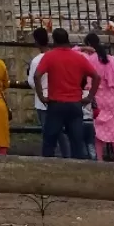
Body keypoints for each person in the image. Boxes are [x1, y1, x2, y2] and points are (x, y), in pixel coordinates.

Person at [33, 27, 100, 158]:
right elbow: (96, 77)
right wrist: (90, 96)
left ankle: (47, 167)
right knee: (76, 142)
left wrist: (41, 96)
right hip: (75, 104)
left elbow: (37, 75)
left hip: (56, 103)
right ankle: (77, 169)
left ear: (54, 41)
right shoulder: (78, 57)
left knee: (49, 141)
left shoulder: (49, 56)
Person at [82, 32, 114, 163]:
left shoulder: (90, 59)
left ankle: (99, 160)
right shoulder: (111, 59)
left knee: (96, 131)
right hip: (111, 99)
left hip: (96, 97)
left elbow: (87, 81)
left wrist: (83, 49)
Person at [28, 25, 70, 157]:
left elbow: (32, 81)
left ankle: (49, 157)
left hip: (42, 100)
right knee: (61, 132)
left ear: (36, 42)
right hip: (58, 97)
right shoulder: (56, 56)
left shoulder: (36, 61)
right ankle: (67, 155)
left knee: (47, 133)